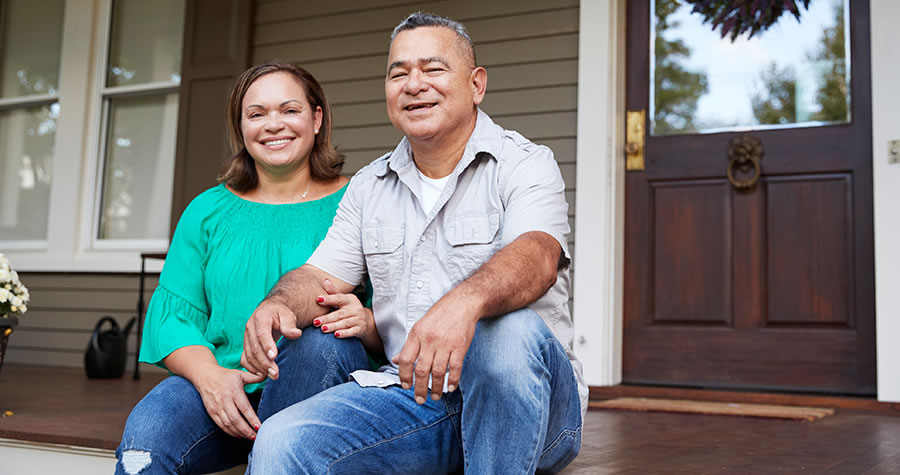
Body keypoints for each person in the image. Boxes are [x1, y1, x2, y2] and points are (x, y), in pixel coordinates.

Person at [243, 12, 587, 474]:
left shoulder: (524, 163)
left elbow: (539, 254)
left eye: (433, 69)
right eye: (398, 73)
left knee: (506, 331)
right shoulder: (370, 185)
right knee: (283, 439)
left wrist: (464, 303)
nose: (413, 84)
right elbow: (318, 277)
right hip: (417, 398)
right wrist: (278, 304)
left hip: (534, 408)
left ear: (476, 85)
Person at [115, 61, 377, 475]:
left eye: (289, 110)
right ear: (240, 128)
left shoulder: (362, 202)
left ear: (316, 118)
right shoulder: (207, 211)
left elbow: (392, 318)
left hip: (319, 390)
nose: (274, 125)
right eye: (256, 114)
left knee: (320, 347)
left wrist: (364, 319)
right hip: (222, 383)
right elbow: (174, 319)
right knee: (146, 440)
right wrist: (211, 378)